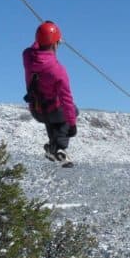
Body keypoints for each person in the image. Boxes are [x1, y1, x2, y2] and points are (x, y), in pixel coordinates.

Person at [23, 20, 78, 163]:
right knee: (72, 111)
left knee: (51, 114)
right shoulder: (58, 70)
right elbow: (67, 100)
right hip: (52, 112)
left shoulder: (28, 57)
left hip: (36, 111)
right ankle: (59, 146)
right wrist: (72, 126)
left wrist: (43, 32)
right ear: (56, 43)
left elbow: (34, 47)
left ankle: (52, 146)